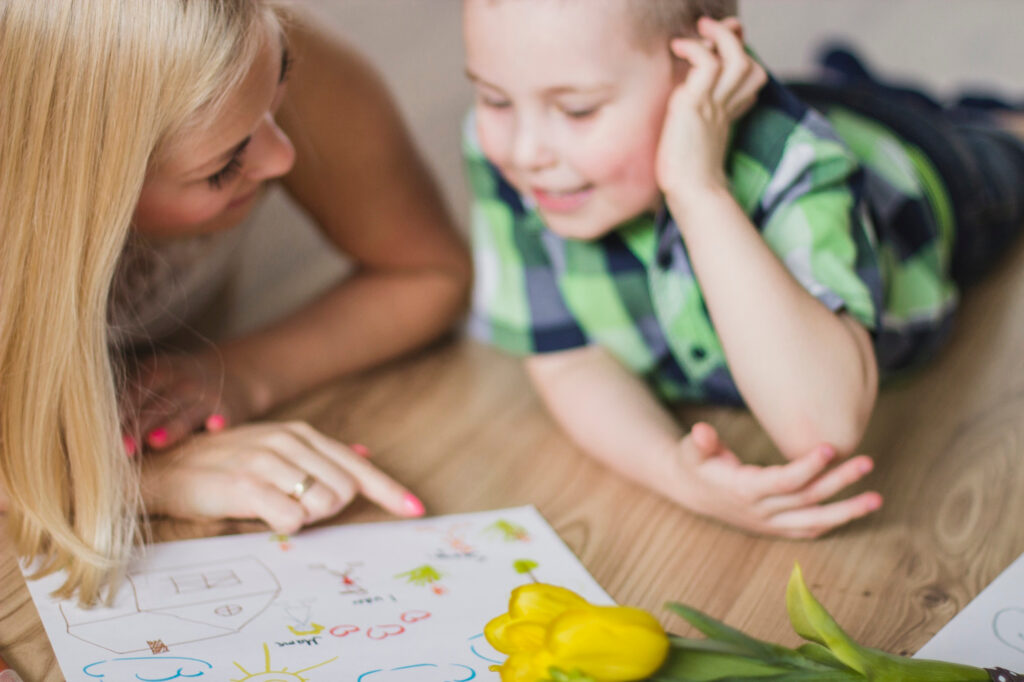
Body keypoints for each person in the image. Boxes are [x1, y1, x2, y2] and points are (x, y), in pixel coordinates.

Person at [462, 0, 1024, 538]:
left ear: (702, 67)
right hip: (813, 109)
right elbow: (567, 360)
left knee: (996, 148)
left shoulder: (795, 161)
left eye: (577, 109)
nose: (526, 151)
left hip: (926, 180)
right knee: (847, 91)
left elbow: (823, 426)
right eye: (494, 99)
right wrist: (674, 472)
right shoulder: (513, 161)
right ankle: (852, 82)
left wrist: (697, 190)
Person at [0, 0, 471, 604]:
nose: (283, 158)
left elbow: (429, 272)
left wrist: (244, 374)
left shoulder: (246, 38)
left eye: (281, 79)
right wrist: (139, 479)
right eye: (223, 167)